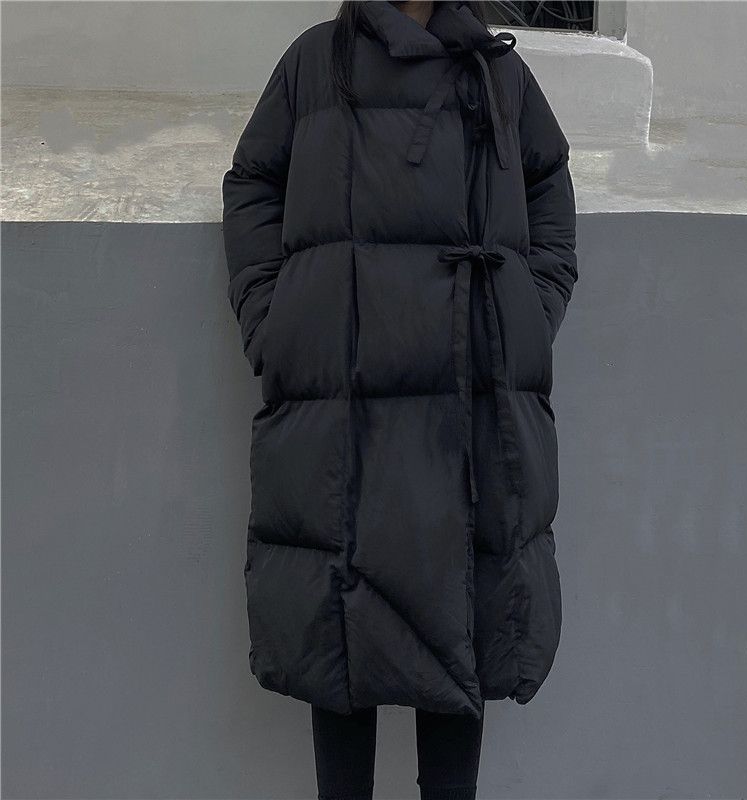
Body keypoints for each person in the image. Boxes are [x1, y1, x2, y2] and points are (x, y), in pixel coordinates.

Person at [221, 1, 577, 797]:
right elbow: (252, 187)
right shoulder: (315, 64)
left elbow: (549, 192)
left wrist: (526, 314)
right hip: (339, 397)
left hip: (467, 391)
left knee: (461, 620)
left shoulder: (499, 75)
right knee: (340, 623)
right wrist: (277, 325)